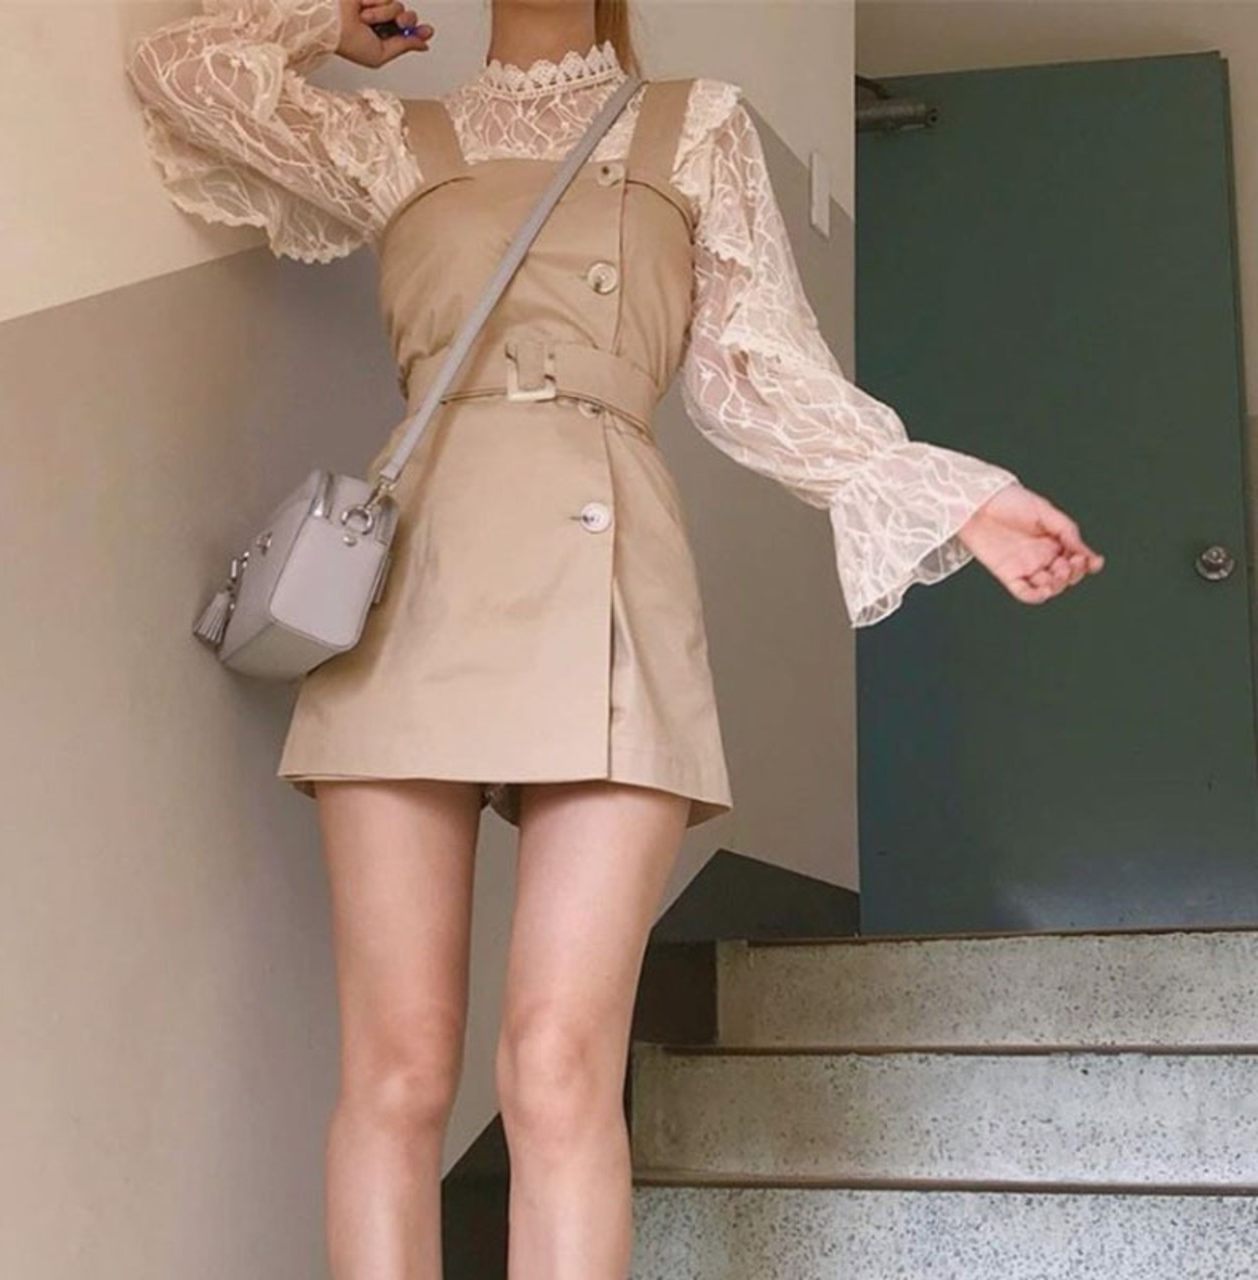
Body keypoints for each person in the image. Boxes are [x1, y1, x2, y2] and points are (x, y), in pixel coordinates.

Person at [124, 1, 1105, 1275]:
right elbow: (178, 71)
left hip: (609, 578)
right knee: (397, 1070)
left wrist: (953, 499)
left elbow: (764, 374)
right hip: (406, 589)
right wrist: (325, 23)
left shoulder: (693, 125)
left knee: (555, 1061)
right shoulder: (392, 139)